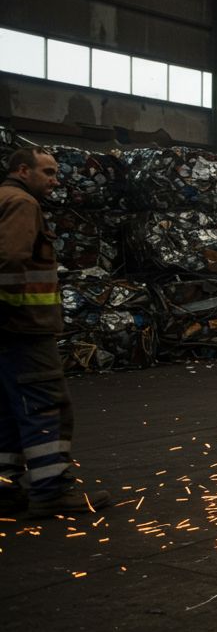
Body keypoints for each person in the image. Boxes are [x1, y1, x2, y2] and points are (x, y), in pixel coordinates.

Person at [0, 148, 111, 517]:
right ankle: (51, 489)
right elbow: (10, 260)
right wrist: (10, 310)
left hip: (8, 333)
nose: (54, 180)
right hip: (23, 328)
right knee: (46, 406)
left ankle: (5, 486)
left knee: (8, 410)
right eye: (47, 172)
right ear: (23, 170)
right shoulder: (21, 203)